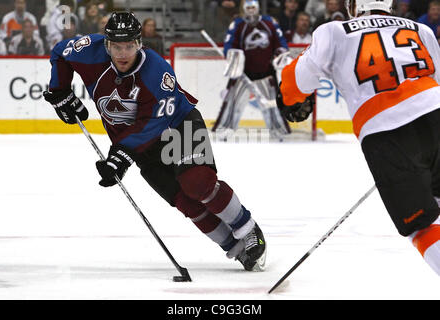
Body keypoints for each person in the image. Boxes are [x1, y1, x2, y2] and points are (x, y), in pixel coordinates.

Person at [42, 12, 267, 272]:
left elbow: (155, 122)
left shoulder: (156, 71)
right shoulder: (89, 50)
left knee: (197, 183)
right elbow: (60, 53)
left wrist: (122, 154)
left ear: (139, 43)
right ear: (106, 44)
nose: (123, 53)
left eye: (129, 46)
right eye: (117, 46)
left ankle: (247, 229)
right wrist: (60, 91)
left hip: (176, 126)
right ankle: (234, 247)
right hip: (138, 145)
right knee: (185, 201)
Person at [277, 0, 440, 275]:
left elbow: (297, 84)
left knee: (420, 224)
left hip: (386, 133)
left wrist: (289, 95)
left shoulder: (334, 31)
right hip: (435, 112)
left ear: (355, 5)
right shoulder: (420, 29)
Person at [214, 0, 291, 139]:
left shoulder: (269, 23)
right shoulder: (238, 24)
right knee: (232, 105)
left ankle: (279, 133)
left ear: (258, 8)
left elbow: (280, 41)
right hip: (243, 74)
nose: (251, 11)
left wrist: (281, 51)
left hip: (266, 72)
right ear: (244, 9)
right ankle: (224, 131)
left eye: (253, 7)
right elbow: (229, 43)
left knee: (272, 107)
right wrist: (231, 54)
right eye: (248, 8)